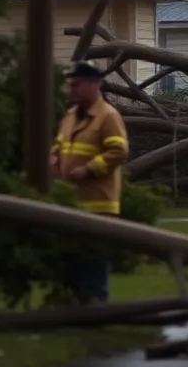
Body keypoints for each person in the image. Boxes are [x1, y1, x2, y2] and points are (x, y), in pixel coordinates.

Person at [50, 61, 130, 304]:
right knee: (73, 259)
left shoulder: (108, 116)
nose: (71, 89)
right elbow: (61, 143)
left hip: (98, 204)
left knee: (93, 260)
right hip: (71, 201)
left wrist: (89, 169)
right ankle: (75, 305)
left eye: (76, 84)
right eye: (70, 84)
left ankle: (95, 308)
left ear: (94, 85)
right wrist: (53, 157)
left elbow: (119, 151)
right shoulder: (70, 115)